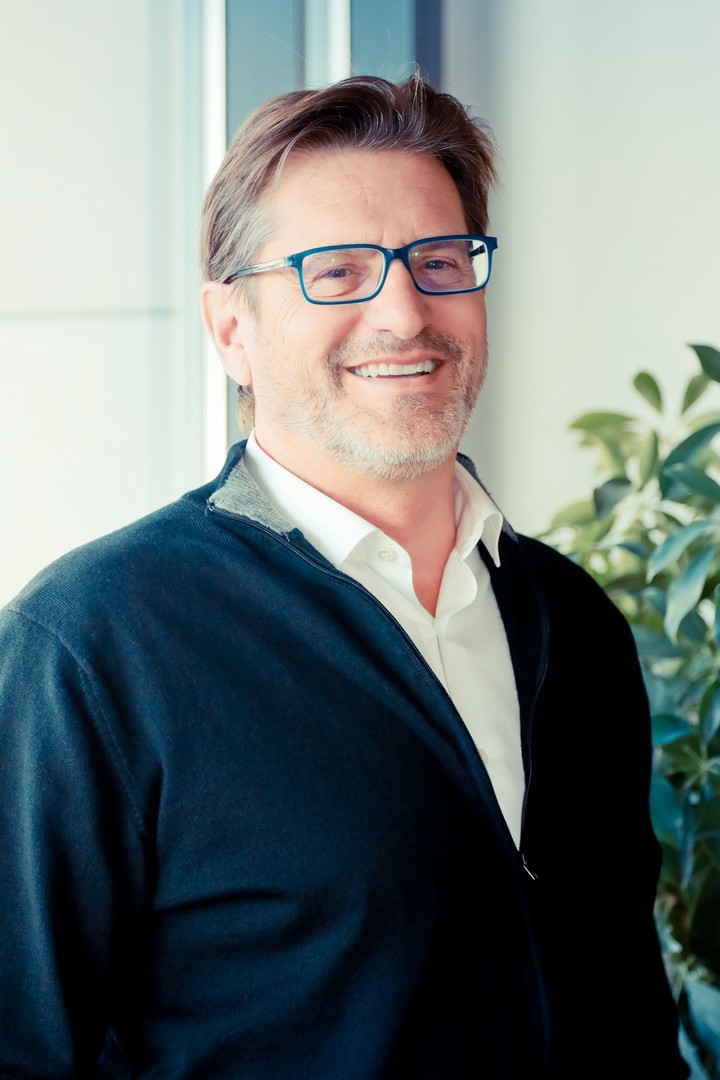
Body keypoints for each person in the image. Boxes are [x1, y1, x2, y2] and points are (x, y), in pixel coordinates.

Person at [0, 74, 688, 1079]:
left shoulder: (572, 621)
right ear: (231, 331)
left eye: (439, 261)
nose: (404, 313)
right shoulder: (93, 647)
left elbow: (629, 1019)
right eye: (337, 272)